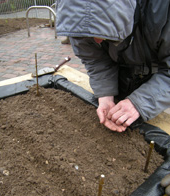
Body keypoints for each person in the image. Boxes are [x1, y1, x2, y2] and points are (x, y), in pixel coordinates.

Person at [56, 0, 170, 132]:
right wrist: (106, 95)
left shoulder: (162, 9)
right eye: (90, 36)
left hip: (158, 81)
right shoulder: (75, 20)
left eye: (102, 33)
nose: (97, 41)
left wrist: (141, 103)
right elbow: (95, 59)